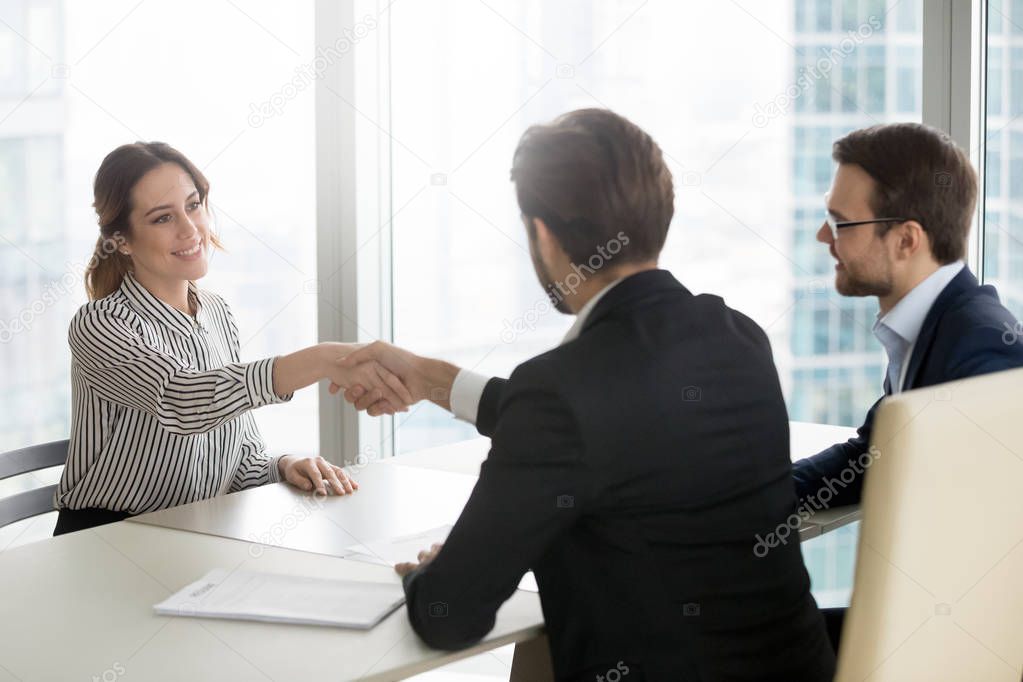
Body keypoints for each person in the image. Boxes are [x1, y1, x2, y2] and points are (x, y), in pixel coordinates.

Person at [339, 109, 836, 681]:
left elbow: (449, 616)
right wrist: (434, 381)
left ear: (543, 235)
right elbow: (615, 424)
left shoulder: (559, 394)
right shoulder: (738, 336)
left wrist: (430, 576)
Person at [54, 142, 412, 535]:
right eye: (162, 219)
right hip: (105, 540)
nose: (191, 229)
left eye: (194, 205)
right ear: (122, 240)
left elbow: (236, 454)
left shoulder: (217, 313)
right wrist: (321, 360)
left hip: (190, 532)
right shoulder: (99, 324)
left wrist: (283, 464)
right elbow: (182, 400)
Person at [790, 122, 1023, 649]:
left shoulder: (982, 350)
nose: (824, 237)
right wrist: (740, 494)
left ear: (905, 240)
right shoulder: (936, 324)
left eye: (840, 222)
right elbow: (870, 456)